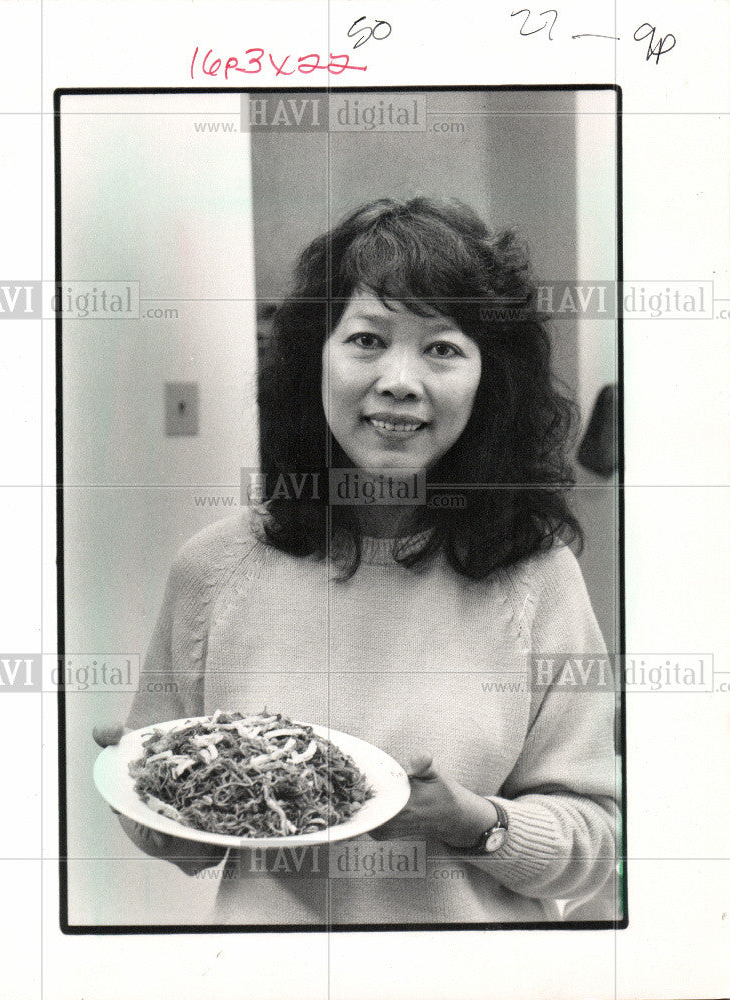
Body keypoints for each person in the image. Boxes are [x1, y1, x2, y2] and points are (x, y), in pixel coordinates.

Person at [95, 196, 620, 925]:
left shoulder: (536, 577)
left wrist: (473, 822)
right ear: (315, 359)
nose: (399, 379)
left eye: (441, 347)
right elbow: (181, 841)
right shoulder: (211, 569)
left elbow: (596, 839)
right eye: (368, 339)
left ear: (487, 384)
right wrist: (149, 785)